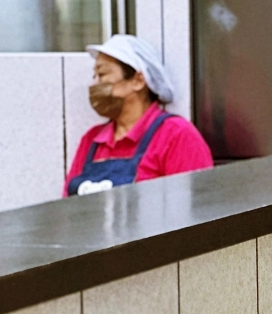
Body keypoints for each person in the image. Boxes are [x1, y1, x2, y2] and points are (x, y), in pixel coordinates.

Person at [65, 35, 213, 196]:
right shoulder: (92, 140)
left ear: (138, 80)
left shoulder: (176, 135)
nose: (94, 85)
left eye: (102, 74)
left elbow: (198, 206)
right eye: (94, 76)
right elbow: (67, 208)